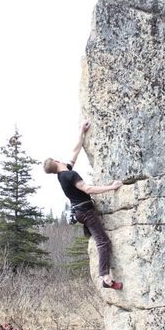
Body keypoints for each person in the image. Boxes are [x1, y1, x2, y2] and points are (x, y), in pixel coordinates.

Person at [43, 121, 123, 289]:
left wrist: (82, 131)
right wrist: (112, 187)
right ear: (57, 160)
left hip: (80, 212)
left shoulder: (63, 174)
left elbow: (75, 151)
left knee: (99, 239)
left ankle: (105, 274)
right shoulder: (70, 175)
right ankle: (106, 277)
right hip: (85, 211)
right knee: (103, 241)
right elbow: (88, 189)